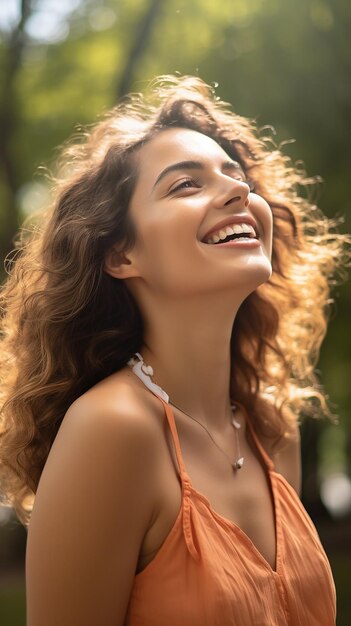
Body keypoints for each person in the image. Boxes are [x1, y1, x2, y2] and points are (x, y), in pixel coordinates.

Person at [0, 74, 348, 626]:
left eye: (237, 177)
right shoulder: (111, 431)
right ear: (121, 254)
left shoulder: (269, 426)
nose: (238, 191)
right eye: (186, 185)